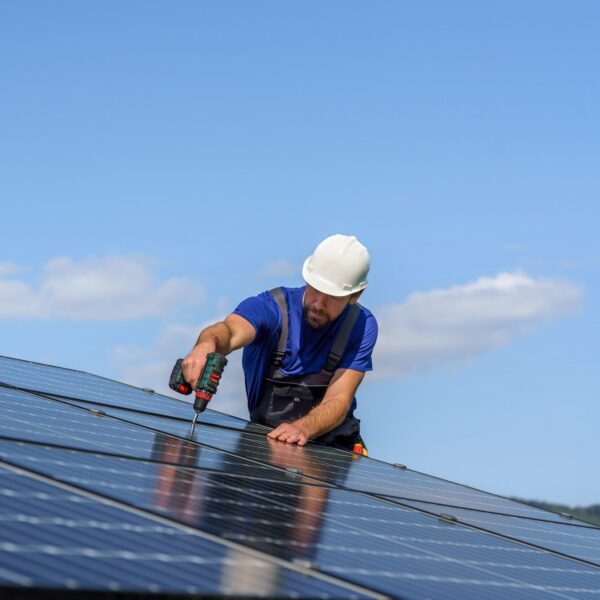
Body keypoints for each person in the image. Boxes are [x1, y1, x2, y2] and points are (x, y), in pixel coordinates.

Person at [181, 234, 378, 451]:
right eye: (315, 289)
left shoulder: (360, 325)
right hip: (272, 443)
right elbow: (229, 330)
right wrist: (206, 345)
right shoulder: (273, 308)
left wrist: (303, 428)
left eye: (333, 297)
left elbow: (340, 398)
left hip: (334, 446)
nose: (319, 304)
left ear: (355, 295)